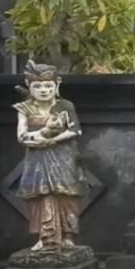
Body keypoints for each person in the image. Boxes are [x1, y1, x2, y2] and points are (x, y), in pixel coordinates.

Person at [13, 61, 90, 251]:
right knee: (39, 194)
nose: (44, 90)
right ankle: (45, 236)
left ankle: (68, 235)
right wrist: (40, 136)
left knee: (67, 193)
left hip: (64, 155)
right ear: (29, 86)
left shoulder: (65, 106)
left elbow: (75, 131)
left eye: (48, 86)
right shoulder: (24, 108)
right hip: (37, 157)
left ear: (57, 85)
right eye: (38, 87)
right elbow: (21, 136)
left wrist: (53, 139)